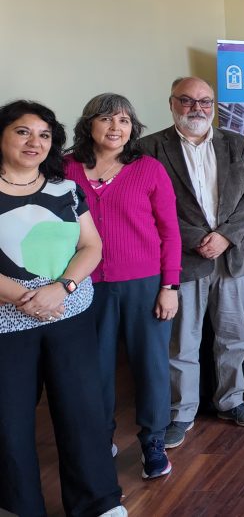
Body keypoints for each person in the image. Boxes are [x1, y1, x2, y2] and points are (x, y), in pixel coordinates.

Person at [0, 100, 126, 517]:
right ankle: (19, 507)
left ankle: (99, 504)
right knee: (10, 423)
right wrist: (25, 298)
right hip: (7, 325)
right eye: (23, 131)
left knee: (83, 412)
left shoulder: (64, 188)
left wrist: (64, 287)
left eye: (44, 135)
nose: (34, 142)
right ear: (2, 135)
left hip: (69, 314)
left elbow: (92, 246)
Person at [140, 77, 244, 449]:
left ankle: (231, 401)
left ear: (214, 105)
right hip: (183, 259)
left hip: (232, 256)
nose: (197, 108)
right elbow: (148, 203)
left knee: (234, 335)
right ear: (171, 103)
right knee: (182, 342)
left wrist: (226, 235)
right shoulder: (149, 149)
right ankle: (181, 413)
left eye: (205, 101)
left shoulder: (237, 144)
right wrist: (196, 239)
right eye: (188, 100)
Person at [64, 93, 181, 480]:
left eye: (125, 121)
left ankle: (152, 441)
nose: (116, 128)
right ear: (89, 125)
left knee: (150, 367)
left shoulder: (148, 168)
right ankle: (100, 437)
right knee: (92, 369)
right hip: (83, 286)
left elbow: (170, 232)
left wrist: (170, 285)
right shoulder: (64, 170)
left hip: (143, 284)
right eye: (107, 119)